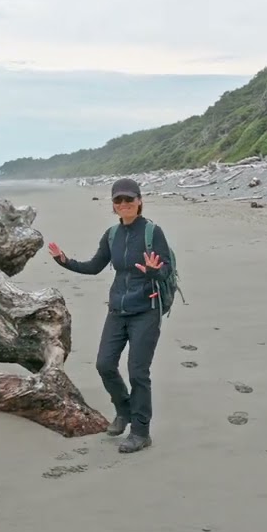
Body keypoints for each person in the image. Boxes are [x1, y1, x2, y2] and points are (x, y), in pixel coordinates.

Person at [46, 177, 173, 454]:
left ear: (139, 201)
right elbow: (94, 267)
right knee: (104, 365)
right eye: (119, 200)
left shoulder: (153, 233)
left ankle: (141, 432)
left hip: (146, 312)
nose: (124, 204)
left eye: (129, 199)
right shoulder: (112, 235)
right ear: (113, 205)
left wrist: (152, 271)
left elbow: (163, 271)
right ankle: (124, 410)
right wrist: (64, 261)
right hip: (117, 310)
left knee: (138, 372)